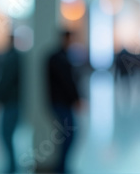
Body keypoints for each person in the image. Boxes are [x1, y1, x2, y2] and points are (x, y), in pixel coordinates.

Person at [46, 30, 81, 173]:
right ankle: (61, 168)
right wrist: (76, 99)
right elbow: (67, 82)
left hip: (61, 102)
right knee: (68, 134)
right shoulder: (58, 58)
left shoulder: (61, 57)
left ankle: (62, 167)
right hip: (61, 103)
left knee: (66, 135)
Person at [0, 36, 21, 173]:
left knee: (6, 134)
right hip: (13, 101)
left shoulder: (12, 57)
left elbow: (6, 80)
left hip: (12, 101)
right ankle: (12, 165)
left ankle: (12, 166)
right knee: (7, 134)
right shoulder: (15, 56)